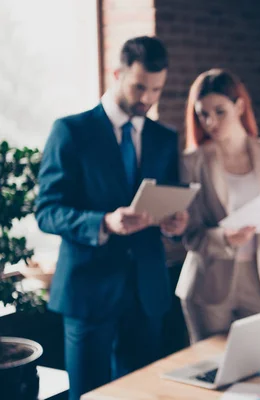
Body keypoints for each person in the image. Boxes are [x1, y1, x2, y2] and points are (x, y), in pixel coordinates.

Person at [36, 36, 189, 399]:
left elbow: (169, 199)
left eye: (156, 89)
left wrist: (175, 224)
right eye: (140, 87)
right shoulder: (71, 131)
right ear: (117, 73)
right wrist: (103, 223)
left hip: (147, 290)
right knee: (89, 394)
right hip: (88, 292)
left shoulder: (164, 138)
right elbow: (47, 211)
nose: (148, 99)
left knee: (140, 395)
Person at [175, 68, 260, 343]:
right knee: (211, 371)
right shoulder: (192, 161)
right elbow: (189, 233)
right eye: (203, 114)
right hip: (209, 283)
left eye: (220, 111)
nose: (210, 122)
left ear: (239, 106)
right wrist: (224, 238)